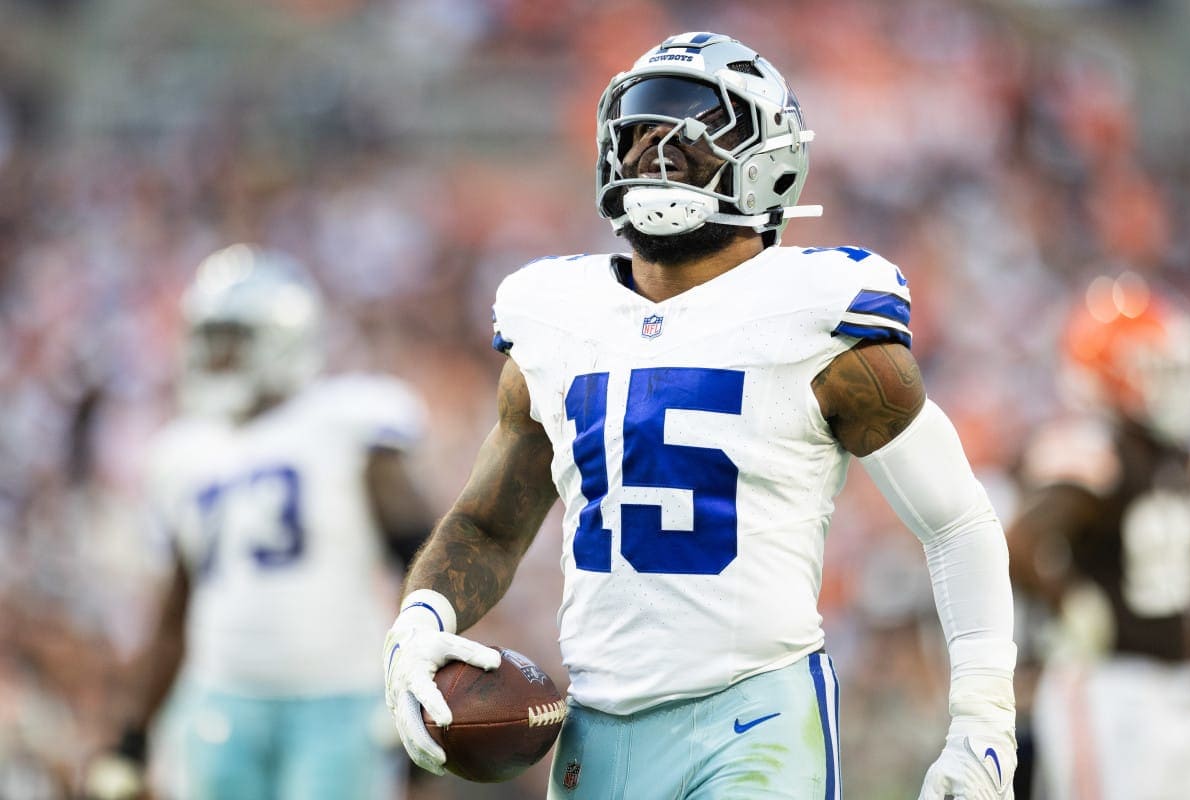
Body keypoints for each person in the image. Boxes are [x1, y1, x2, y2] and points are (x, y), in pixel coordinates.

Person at [384, 32, 1018, 799]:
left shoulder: (817, 315)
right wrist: (417, 624)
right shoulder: (555, 319)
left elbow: (955, 520)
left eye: (692, 125)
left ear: (769, 158)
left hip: (756, 713)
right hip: (599, 725)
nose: (658, 146)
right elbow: (489, 525)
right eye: (642, 126)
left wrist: (983, 724)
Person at [84, 244, 434, 800]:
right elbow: (174, 611)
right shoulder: (180, 454)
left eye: (231, 340)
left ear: (281, 339)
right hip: (221, 701)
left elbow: (426, 561)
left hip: (339, 699)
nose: (215, 357)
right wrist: (133, 732)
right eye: (208, 340)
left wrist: (424, 688)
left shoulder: (349, 422)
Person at [1007, 273, 1190, 800]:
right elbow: (1021, 541)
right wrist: (1076, 603)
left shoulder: (1172, 458)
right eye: (1155, 366)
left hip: (1178, 686)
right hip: (1108, 686)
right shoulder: (1093, 443)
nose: (1173, 381)